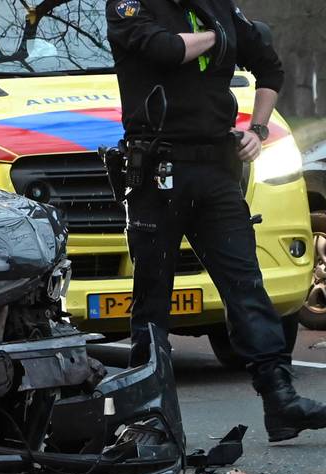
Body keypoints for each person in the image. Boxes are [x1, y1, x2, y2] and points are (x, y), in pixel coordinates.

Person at [106, 0, 326, 443]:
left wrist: (258, 130)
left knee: (246, 285)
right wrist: (218, 37)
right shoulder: (129, 4)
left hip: (216, 169)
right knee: (153, 298)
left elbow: (269, 66)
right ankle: (151, 416)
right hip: (157, 170)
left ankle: (281, 401)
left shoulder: (217, 5)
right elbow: (165, 50)